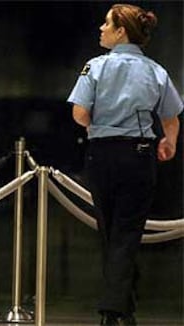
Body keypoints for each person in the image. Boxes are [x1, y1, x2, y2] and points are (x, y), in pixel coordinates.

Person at [67, 3, 183, 326]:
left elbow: (79, 113)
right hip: (139, 154)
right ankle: (123, 308)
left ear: (121, 32)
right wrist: (168, 142)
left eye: (107, 24)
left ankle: (112, 309)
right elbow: (171, 117)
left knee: (110, 233)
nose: (101, 29)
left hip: (102, 156)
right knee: (127, 233)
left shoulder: (95, 67)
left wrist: (97, 126)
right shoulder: (156, 71)